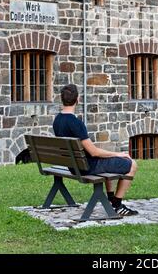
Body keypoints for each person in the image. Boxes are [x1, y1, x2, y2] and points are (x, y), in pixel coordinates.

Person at [53, 84, 138, 216]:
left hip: (73, 165)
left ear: (62, 99)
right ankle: (117, 204)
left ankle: (110, 198)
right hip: (87, 167)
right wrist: (118, 154)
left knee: (107, 156)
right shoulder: (76, 123)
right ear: (78, 99)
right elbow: (94, 152)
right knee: (132, 164)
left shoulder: (57, 120)